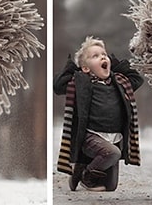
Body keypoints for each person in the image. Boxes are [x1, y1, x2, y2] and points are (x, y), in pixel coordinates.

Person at [54, 36, 144, 191]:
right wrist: (74, 67)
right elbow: (58, 85)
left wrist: (115, 64)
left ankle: (80, 169)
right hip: (90, 136)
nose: (103, 56)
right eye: (95, 56)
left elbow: (137, 79)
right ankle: (86, 176)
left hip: (113, 138)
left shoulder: (119, 82)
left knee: (110, 187)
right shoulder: (81, 83)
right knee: (113, 154)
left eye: (104, 54)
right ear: (86, 68)